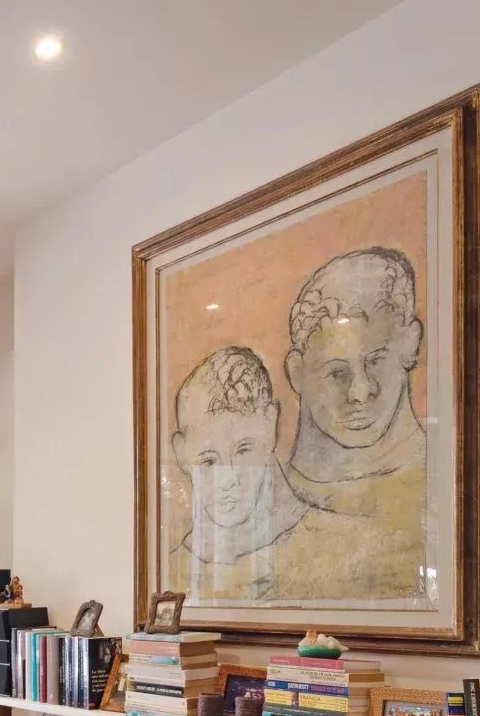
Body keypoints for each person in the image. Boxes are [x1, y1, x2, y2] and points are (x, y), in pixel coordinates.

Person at [168, 345, 367, 602]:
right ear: (181, 452)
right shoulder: (175, 567)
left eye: (243, 451)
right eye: (208, 461)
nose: (228, 479)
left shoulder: (340, 544)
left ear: (271, 426)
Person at [282, 247, 427, 598]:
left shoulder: (440, 488)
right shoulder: (267, 505)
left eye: (376, 360)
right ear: (297, 373)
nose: (361, 392)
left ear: (410, 344)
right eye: (337, 373)